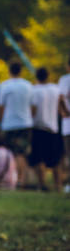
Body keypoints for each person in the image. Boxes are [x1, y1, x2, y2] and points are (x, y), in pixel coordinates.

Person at [0, 61, 34, 188]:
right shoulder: (28, 86)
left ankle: (12, 179)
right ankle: (22, 179)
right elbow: (33, 106)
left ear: (9, 71)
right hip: (25, 123)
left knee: (10, 153)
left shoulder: (4, 86)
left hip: (9, 124)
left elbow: (1, 106)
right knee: (22, 152)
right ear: (21, 71)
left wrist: (2, 121)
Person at [28, 68, 64, 191]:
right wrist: (63, 113)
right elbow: (62, 102)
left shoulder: (34, 90)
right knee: (55, 159)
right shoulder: (55, 89)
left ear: (36, 76)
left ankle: (42, 184)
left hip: (39, 127)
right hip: (54, 127)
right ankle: (58, 185)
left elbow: (33, 110)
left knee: (40, 158)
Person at [58, 55, 70, 193]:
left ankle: (68, 184)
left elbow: (60, 98)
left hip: (68, 125)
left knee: (68, 155)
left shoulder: (65, 79)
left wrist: (65, 112)